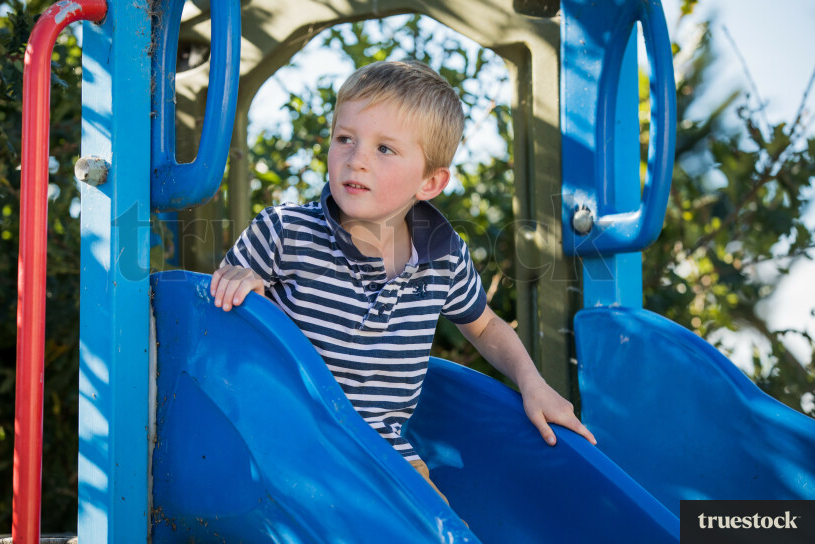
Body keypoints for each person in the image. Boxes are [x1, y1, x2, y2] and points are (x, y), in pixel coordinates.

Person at [210, 60, 596, 505]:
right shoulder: (285, 231)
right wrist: (240, 286)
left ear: (431, 182)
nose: (357, 160)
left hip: (383, 452)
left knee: (441, 528)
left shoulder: (444, 258)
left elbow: (486, 327)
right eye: (345, 139)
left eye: (385, 150)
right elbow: (215, 316)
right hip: (280, 440)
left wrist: (532, 383)